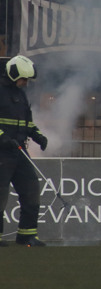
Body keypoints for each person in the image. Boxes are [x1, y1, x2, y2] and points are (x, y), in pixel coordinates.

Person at [0, 55, 47, 246]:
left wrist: (38, 136)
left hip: (20, 151)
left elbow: (27, 122)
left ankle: (27, 235)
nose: (25, 83)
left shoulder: (21, 95)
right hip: (2, 153)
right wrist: (3, 138)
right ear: (13, 74)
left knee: (31, 192)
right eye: (23, 79)